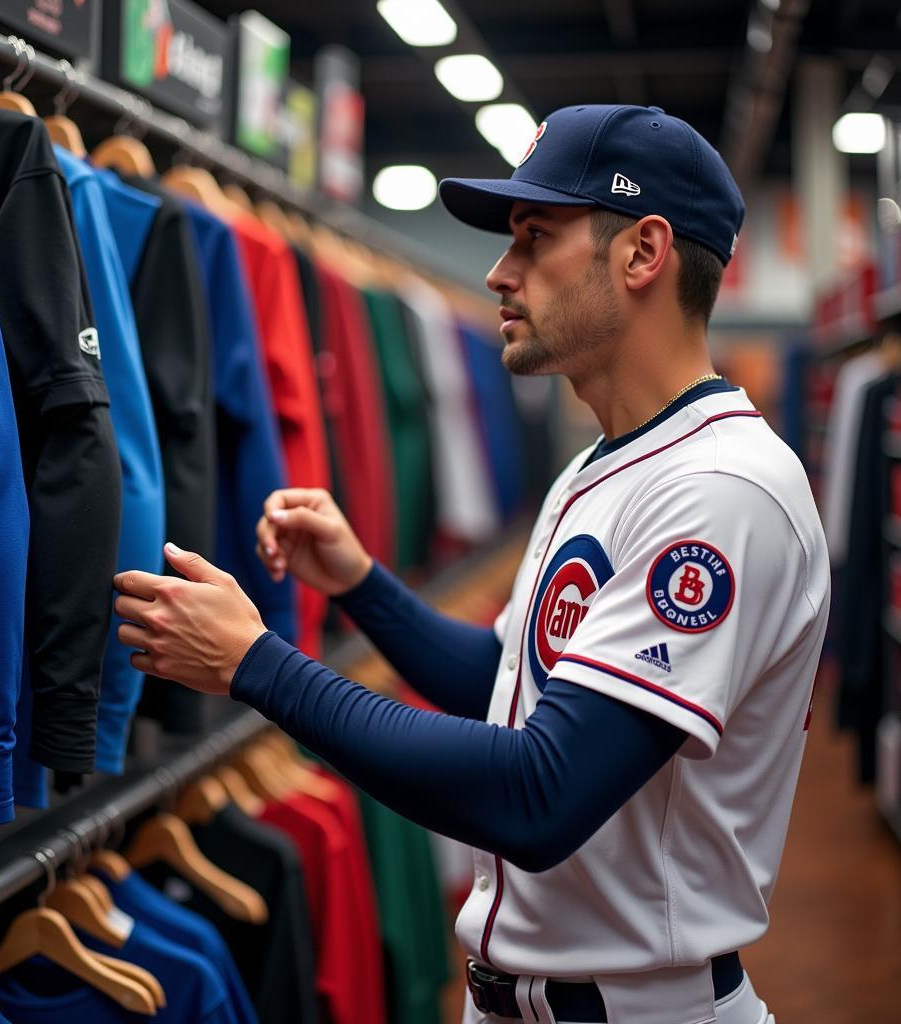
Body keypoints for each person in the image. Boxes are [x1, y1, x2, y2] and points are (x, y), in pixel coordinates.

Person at [114, 104, 830, 1024]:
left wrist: (259, 666)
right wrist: (362, 585)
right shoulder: (602, 465)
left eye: (536, 238)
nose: (499, 271)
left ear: (643, 254)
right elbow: (509, 685)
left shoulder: (725, 488)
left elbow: (540, 793)